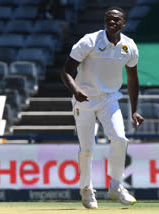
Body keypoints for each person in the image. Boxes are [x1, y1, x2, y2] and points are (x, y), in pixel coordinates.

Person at [60, 7, 144, 209]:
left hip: (109, 99)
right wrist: (76, 91)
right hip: (85, 100)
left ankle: (116, 186)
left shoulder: (129, 46)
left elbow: (132, 78)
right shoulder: (90, 41)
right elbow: (66, 71)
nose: (111, 22)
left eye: (116, 19)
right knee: (87, 148)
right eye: (108, 19)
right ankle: (86, 190)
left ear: (124, 23)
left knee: (120, 138)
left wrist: (134, 109)